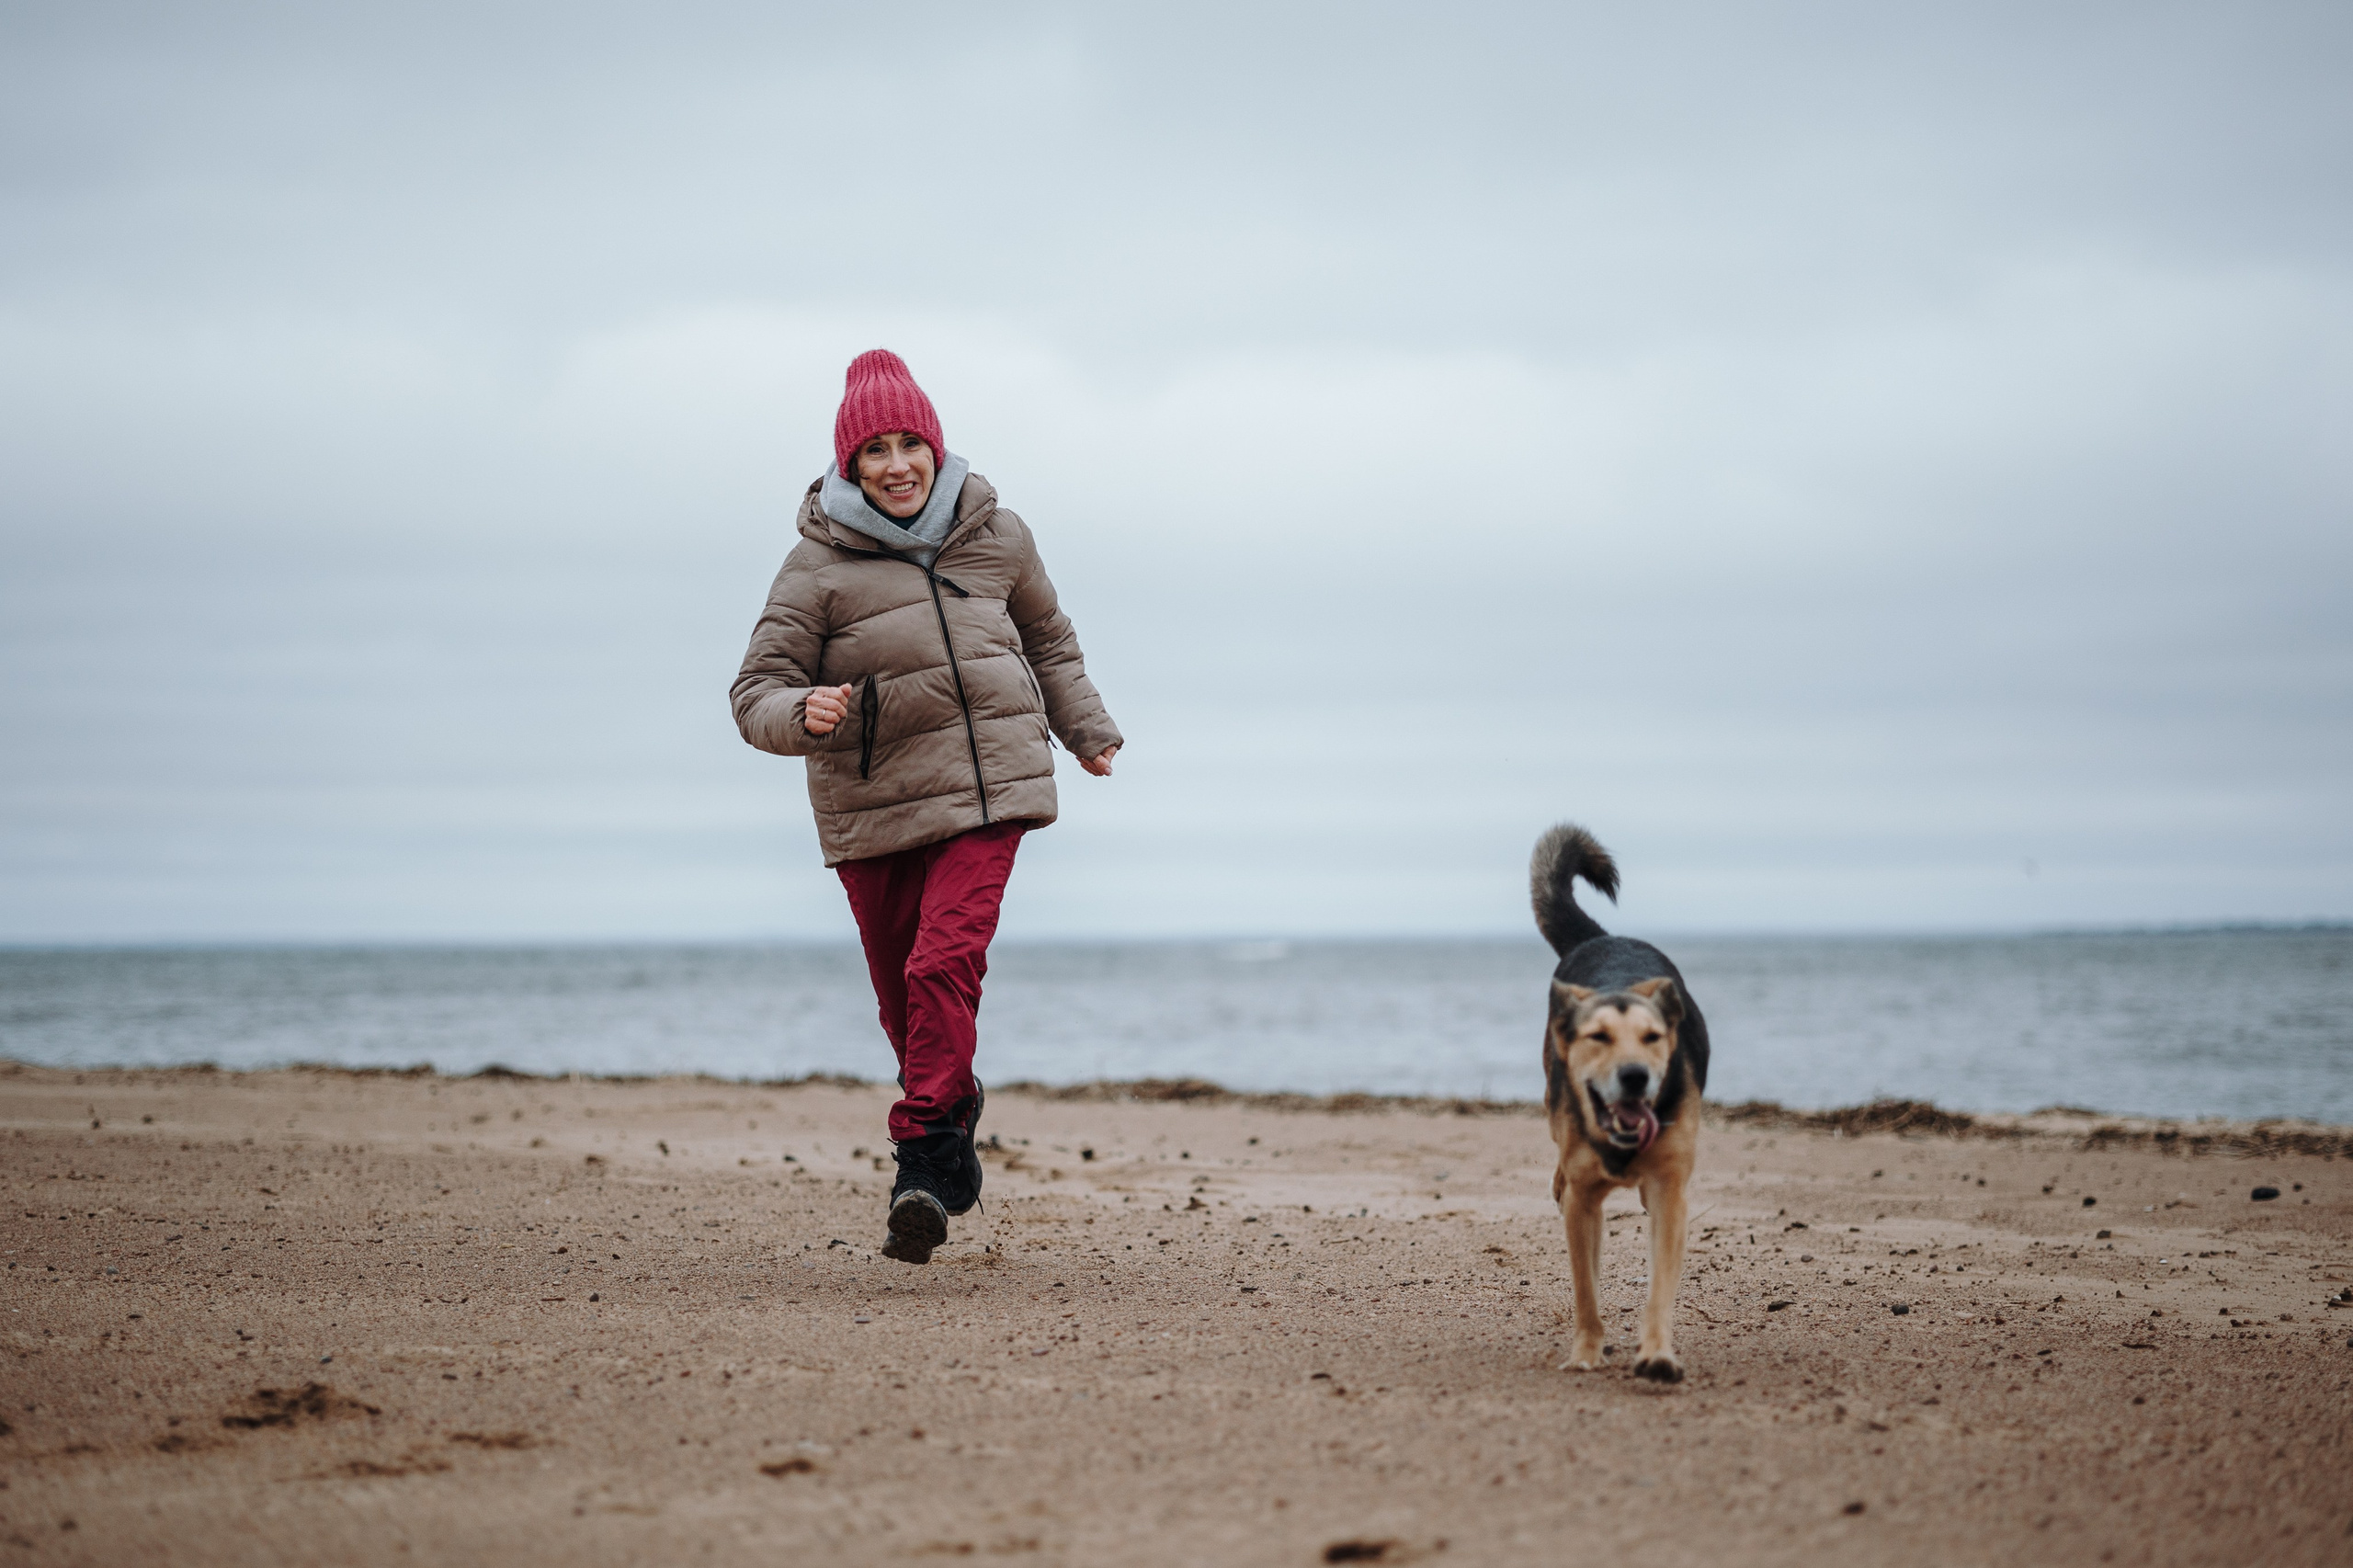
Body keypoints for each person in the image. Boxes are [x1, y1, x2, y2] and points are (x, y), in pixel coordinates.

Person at [730, 349, 1122, 1264]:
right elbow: (757, 689)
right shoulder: (814, 565)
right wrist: (803, 711)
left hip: (991, 784)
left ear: (936, 449)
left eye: (912, 443)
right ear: (849, 464)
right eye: (876, 449)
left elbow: (1049, 639)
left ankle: (921, 1155)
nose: (897, 463)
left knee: (944, 961)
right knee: (904, 993)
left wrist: (1086, 728)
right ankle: (951, 1117)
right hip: (871, 804)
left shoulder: (998, 533)